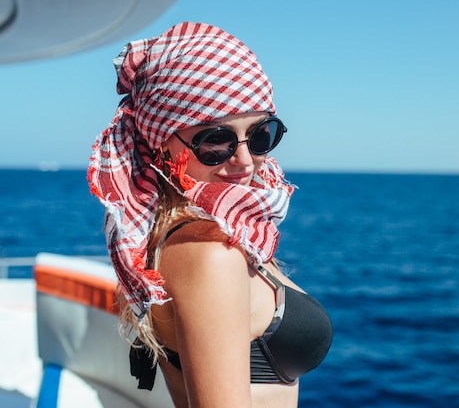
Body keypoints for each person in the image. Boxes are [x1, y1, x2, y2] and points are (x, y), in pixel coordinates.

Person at [88, 22, 333, 408]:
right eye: (214, 140)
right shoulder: (209, 251)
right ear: (161, 143)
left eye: (260, 135)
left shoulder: (212, 231)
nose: (245, 161)